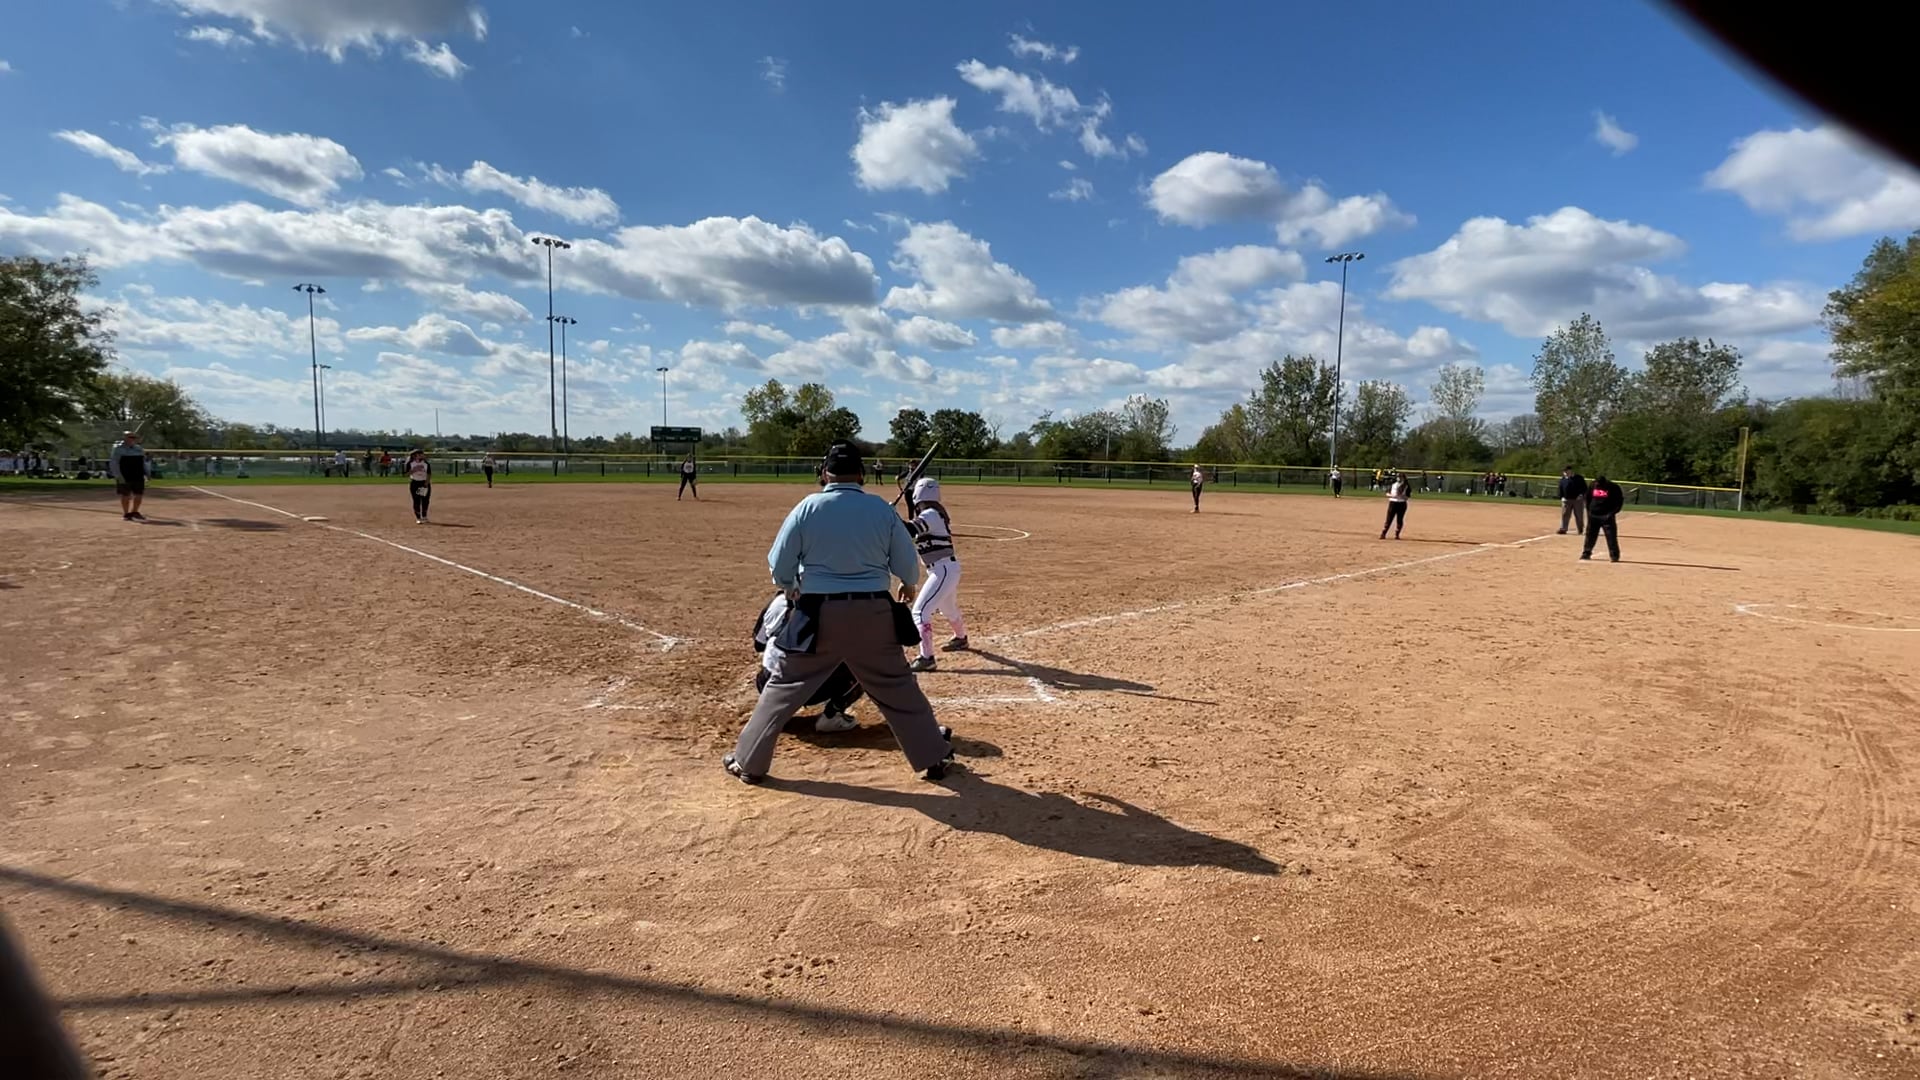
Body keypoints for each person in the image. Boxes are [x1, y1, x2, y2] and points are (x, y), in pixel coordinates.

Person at [724, 442, 954, 784]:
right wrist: (908, 584)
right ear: (861, 474)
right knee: (897, 686)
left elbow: (780, 564)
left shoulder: (807, 507)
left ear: (824, 473)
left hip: (817, 613)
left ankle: (749, 763)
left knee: (783, 686)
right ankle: (933, 757)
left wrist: (790, 585)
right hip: (873, 612)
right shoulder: (880, 509)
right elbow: (907, 565)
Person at [753, 591, 863, 733]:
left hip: (768, 683)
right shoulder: (835, 606)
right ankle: (832, 715)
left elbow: (759, 644)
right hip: (809, 689)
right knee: (863, 663)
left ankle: (775, 710)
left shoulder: (778, 601)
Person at [905, 476, 968, 671]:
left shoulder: (930, 515)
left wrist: (890, 517)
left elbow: (908, 530)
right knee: (948, 609)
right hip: (945, 569)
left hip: (942, 570)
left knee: (920, 612)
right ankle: (961, 638)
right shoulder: (933, 514)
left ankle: (927, 658)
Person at [1581, 474, 1624, 562]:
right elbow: (1587, 498)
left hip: (1607, 516)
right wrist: (1589, 511)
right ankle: (1586, 553)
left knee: (1611, 536)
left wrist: (1612, 513)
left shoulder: (1613, 487)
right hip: (1594, 515)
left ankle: (1614, 556)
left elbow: (1619, 501)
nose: (1598, 485)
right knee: (1590, 535)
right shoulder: (1592, 485)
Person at [108, 431, 148, 521]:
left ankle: (135, 512)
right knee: (125, 494)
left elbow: (143, 462)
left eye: (134, 437)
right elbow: (114, 463)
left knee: (139, 494)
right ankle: (126, 513)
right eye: (130, 437)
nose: (133, 439)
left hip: (138, 474)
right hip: (124, 474)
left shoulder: (138, 448)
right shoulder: (118, 449)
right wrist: (117, 475)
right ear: (125, 438)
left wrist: (147, 473)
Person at [1557, 464, 1588, 535]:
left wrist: (1581, 495)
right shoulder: (1563, 479)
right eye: (1564, 471)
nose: (1565, 473)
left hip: (1577, 500)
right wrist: (1561, 497)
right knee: (1565, 515)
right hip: (1566, 500)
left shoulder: (1579, 478)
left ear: (1570, 471)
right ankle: (1563, 528)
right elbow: (1560, 489)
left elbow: (1584, 488)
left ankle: (1580, 529)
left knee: (1579, 515)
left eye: (1566, 471)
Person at [1380, 472, 1411, 539]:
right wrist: (1392, 496)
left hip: (1401, 503)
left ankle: (1397, 534)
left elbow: (1407, 496)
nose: (1399, 478)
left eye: (1400, 477)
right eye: (1398, 477)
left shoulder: (1406, 486)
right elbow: (1387, 493)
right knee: (1389, 519)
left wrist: (1402, 496)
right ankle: (1383, 533)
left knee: (1399, 519)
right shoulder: (1393, 485)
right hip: (1393, 503)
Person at [406, 450, 432, 524]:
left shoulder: (426, 463)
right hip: (415, 483)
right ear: (415, 455)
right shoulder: (410, 463)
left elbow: (429, 474)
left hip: (423, 483)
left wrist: (426, 483)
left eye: (422, 454)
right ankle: (418, 518)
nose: (422, 455)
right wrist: (413, 470)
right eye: (420, 454)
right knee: (416, 500)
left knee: (424, 500)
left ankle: (424, 516)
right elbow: (405, 474)